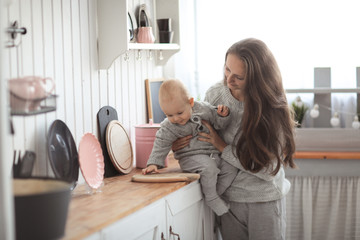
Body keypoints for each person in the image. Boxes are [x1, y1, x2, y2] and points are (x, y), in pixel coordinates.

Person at [172, 38, 297, 240]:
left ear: (257, 78)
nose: (229, 80)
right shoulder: (215, 94)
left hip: (263, 201)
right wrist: (180, 143)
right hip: (228, 201)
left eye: (239, 77)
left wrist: (222, 146)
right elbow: (200, 133)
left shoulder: (271, 108)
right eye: (227, 69)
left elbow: (267, 170)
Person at [142, 79, 238, 216]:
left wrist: (223, 115)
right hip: (190, 157)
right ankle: (211, 198)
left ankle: (215, 192)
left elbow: (218, 123)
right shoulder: (168, 126)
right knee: (209, 169)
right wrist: (153, 163)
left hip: (213, 153)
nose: (175, 119)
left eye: (180, 113)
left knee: (231, 167)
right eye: (169, 115)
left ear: (191, 102)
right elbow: (161, 141)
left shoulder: (203, 109)